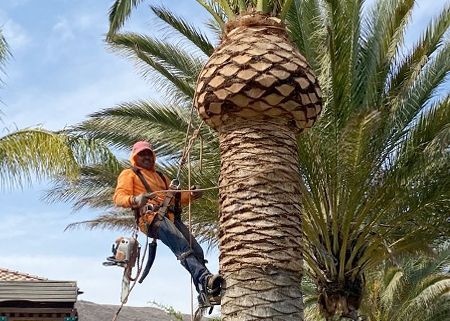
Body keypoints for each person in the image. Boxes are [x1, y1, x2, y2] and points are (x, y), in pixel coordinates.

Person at [113, 141, 222, 305]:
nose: (147, 157)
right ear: (135, 157)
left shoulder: (162, 177)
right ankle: (205, 279)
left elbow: (177, 196)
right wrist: (135, 199)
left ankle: (205, 292)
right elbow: (118, 197)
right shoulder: (129, 174)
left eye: (149, 154)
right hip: (150, 219)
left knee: (197, 250)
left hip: (171, 218)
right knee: (182, 247)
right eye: (142, 154)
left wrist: (191, 194)